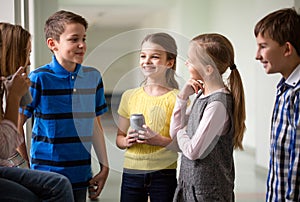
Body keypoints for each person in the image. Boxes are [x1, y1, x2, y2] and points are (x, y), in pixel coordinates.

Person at [18, 10, 109, 202]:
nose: (82, 45)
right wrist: (25, 168)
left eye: (84, 38)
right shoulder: (38, 79)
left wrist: (104, 165)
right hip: (47, 175)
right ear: (53, 44)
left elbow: (95, 125)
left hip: (81, 173)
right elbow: (17, 125)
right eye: (74, 39)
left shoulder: (93, 77)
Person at [0, 22, 75, 202]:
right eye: (26, 53)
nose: (28, 61)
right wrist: (13, 98)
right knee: (55, 187)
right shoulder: (38, 77)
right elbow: (4, 148)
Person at [170, 33, 246, 201]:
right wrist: (182, 98)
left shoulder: (218, 105)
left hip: (208, 193)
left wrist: (183, 131)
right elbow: (174, 136)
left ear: (208, 69)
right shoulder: (202, 96)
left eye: (191, 60)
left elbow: (192, 151)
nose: (186, 62)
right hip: (189, 185)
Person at [116, 32, 180, 202]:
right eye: (143, 56)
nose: (146, 61)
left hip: (164, 174)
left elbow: (183, 145)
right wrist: (126, 141)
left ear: (169, 63)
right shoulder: (129, 96)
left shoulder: (179, 99)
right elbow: (119, 139)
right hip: (131, 173)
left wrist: (158, 140)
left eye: (155, 57)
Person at [254, 8, 300, 201]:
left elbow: (298, 162)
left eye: (263, 46)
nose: (257, 55)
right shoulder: (284, 88)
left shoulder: (297, 94)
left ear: (287, 49)